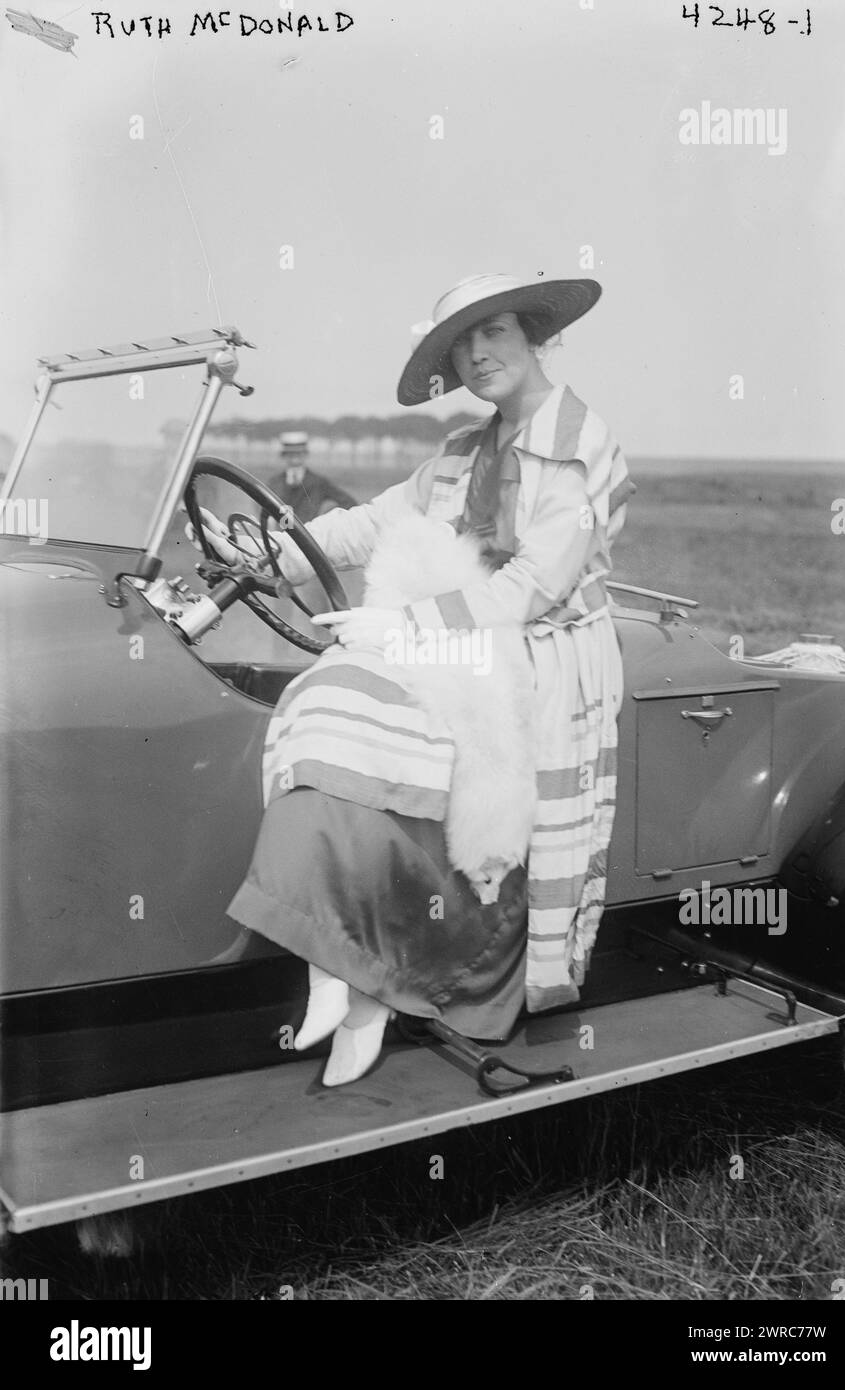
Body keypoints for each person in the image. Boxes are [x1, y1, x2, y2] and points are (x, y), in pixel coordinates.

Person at [202, 272, 635, 1087]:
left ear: (535, 337)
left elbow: (531, 588)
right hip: (462, 639)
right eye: (461, 346)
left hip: (539, 654)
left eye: (495, 334)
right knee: (332, 706)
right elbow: (374, 523)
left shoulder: (583, 442)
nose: (478, 356)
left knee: (432, 765)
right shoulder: (465, 451)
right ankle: (339, 970)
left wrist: (405, 627)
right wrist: (273, 556)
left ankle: (409, 977)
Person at [267, 431, 356, 522]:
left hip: (309, 533)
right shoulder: (274, 482)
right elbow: (263, 511)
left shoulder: (319, 482)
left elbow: (348, 502)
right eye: (290, 454)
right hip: (279, 534)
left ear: (305, 454)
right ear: (284, 455)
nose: (294, 457)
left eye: (298, 453)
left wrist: (326, 519)